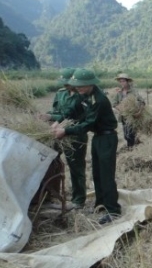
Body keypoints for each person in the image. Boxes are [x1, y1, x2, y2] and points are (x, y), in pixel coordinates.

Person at [52, 68, 121, 224]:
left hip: (107, 138)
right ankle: (101, 205)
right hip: (97, 138)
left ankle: (113, 210)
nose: (78, 88)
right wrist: (57, 121)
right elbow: (72, 111)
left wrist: (65, 130)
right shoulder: (84, 95)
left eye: (81, 85)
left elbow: (87, 124)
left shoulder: (99, 100)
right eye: (77, 85)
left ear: (91, 84)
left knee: (106, 174)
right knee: (96, 172)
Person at [39, 68, 88, 210]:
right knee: (50, 162)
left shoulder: (82, 96)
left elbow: (69, 115)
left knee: (76, 168)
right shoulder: (60, 94)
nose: (66, 86)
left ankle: (78, 200)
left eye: (68, 83)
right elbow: (56, 111)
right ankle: (49, 194)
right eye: (64, 83)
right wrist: (47, 116)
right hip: (56, 134)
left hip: (74, 136)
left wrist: (53, 119)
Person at [112, 73, 145, 148]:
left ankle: (131, 149)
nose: (122, 83)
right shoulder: (119, 93)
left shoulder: (133, 92)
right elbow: (114, 103)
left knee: (130, 135)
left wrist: (139, 112)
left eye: (123, 81)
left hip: (133, 116)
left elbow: (142, 102)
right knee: (125, 136)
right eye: (120, 81)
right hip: (123, 116)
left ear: (127, 82)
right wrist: (120, 108)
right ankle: (135, 144)